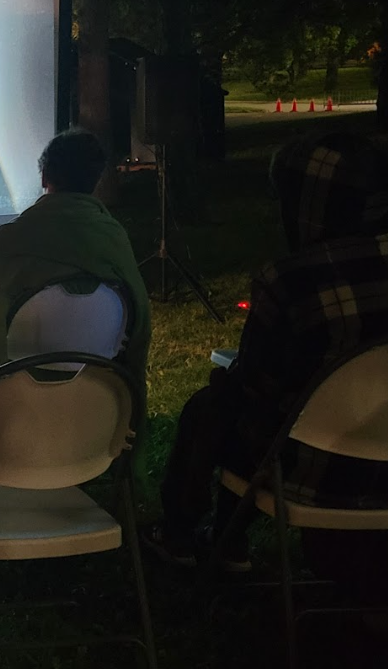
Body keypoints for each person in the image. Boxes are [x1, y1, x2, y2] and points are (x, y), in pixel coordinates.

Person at [143, 132, 388, 571]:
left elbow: (257, 384)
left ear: (306, 204)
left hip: (313, 472)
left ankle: (196, 537)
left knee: (215, 406)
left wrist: (229, 380)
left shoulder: (295, 280)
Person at [0, 129, 151, 456]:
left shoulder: (7, 242)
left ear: (45, 177)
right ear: (95, 181)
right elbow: (138, 325)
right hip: (93, 396)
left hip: (10, 395)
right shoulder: (115, 239)